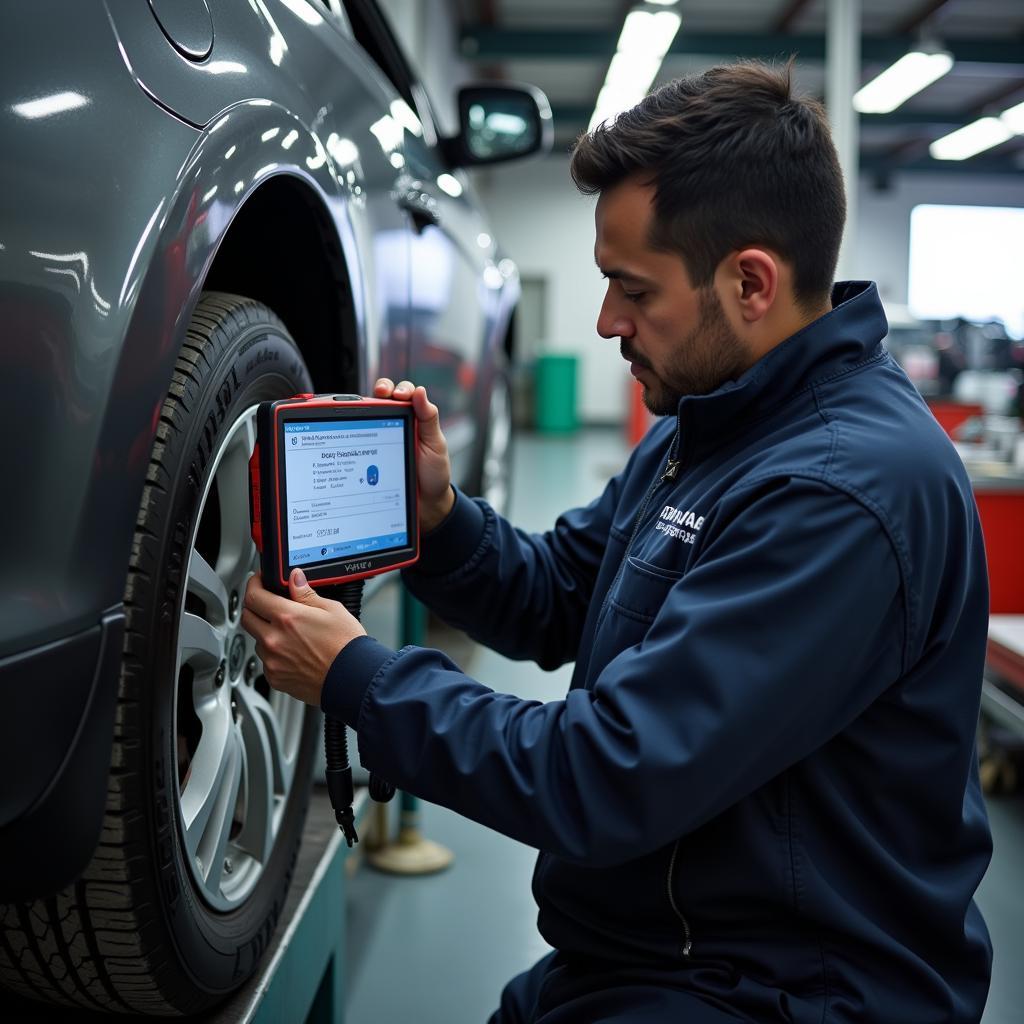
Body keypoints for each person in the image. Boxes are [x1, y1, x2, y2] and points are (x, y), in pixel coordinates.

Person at [241, 61, 993, 1023]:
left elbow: (606, 774)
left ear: (750, 282)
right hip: (654, 951)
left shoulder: (842, 492)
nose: (606, 323)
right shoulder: (714, 425)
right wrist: (440, 519)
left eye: (631, 290)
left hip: (788, 992)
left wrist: (360, 677)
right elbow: (562, 591)